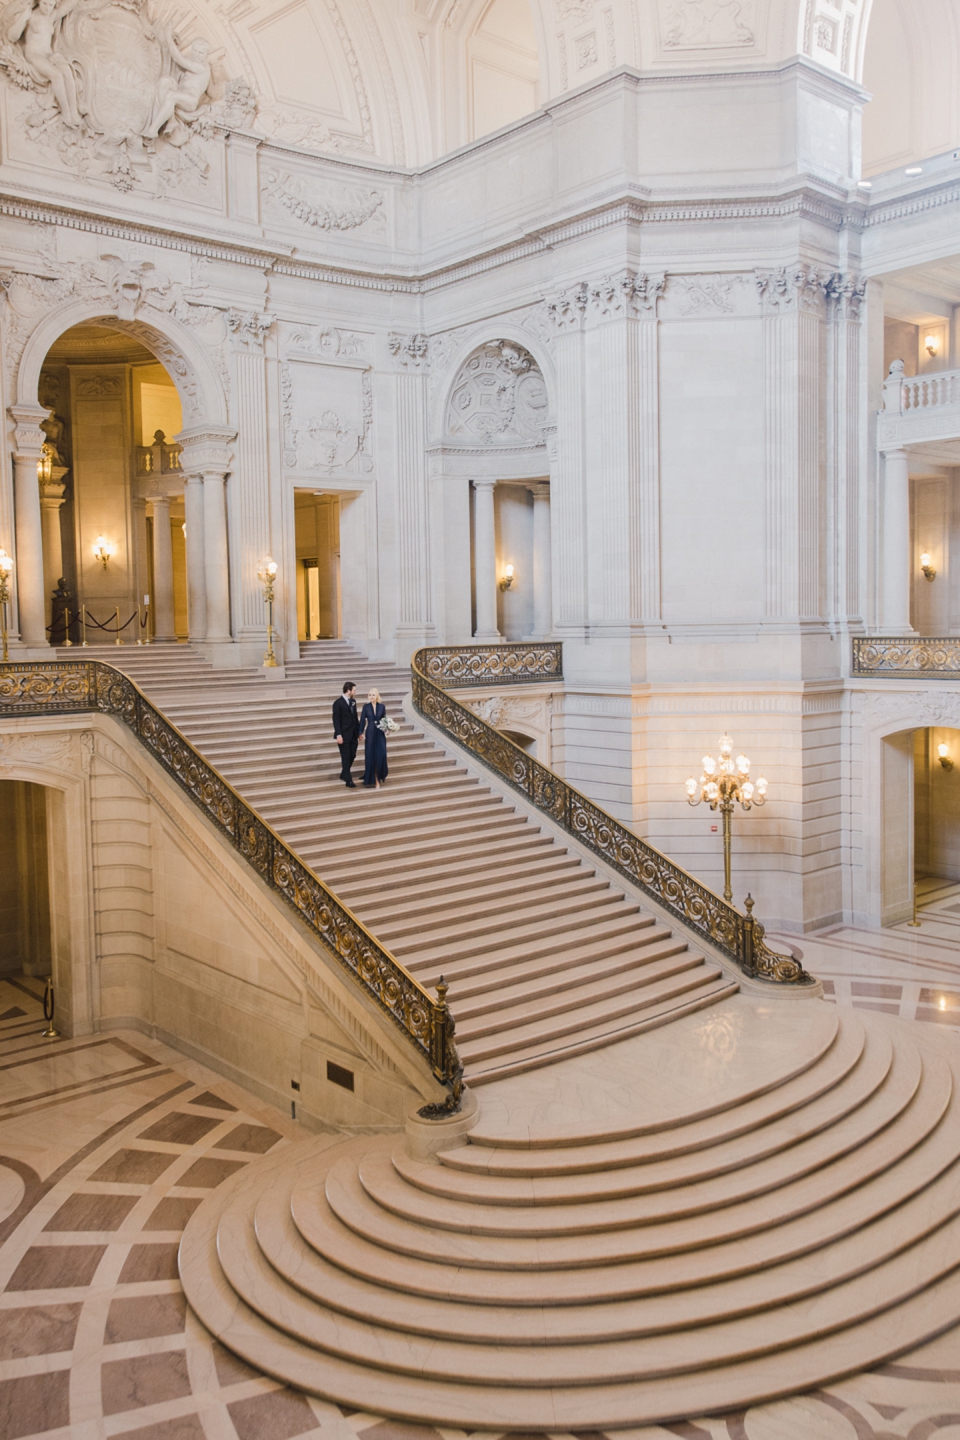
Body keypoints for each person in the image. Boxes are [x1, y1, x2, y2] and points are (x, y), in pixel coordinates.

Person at [359, 688, 389, 790]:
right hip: (371, 732)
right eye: (369, 695)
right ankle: (375, 779)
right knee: (371, 755)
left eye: (373, 695)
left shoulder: (382, 707)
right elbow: (362, 720)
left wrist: (387, 729)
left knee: (382, 753)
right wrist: (360, 733)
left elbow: (384, 720)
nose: (371, 696)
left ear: (377, 696)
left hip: (380, 733)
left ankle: (380, 775)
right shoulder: (366, 707)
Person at [332, 681, 359, 788]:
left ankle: (344, 773)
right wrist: (338, 734)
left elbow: (355, 718)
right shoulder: (338, 703)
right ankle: (348, 780)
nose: (355, 692)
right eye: (354, 690)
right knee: (346, 756)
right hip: (343, 734)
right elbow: (336, 720)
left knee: (352, 754)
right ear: (348, 690)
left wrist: (359, 732)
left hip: (353, 734)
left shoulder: (353, 701)